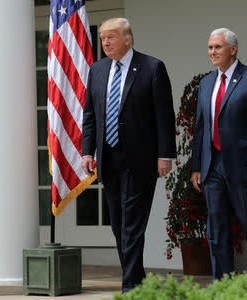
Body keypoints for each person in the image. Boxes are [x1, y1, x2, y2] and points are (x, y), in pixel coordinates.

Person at [81, 17, 176, 292]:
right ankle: (138, 281)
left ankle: (131, 287)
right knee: (119, 224)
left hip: (141, 160)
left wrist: (165, 154)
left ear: (128, 39)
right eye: (102, 38)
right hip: (108, 159)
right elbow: (90, 115)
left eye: (111, 37)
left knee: (132, 225)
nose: (105, 42)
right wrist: (88, 151)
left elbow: (163, 116)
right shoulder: (97, 70)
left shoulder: (152, 67)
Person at [191, 28, 247, 281]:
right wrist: (197, 167)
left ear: (233, 49)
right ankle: (222, 285)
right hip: (212, 166)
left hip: (245, 168)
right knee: (216, 229)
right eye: (209, 48)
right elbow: (201, 127)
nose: (212, 52)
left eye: (217, 47)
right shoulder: (206, 83)